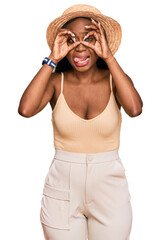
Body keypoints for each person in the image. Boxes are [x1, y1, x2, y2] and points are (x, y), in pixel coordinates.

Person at [18, 4, 143, 240]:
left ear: (101, 41)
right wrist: (52, 58)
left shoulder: (114, 79)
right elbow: (25, 110)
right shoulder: (56, 82)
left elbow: (135, 109)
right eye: (72, 39)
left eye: (89, 38)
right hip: (62, 187)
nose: (81, 47)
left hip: (110, 189)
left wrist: (109, 56)